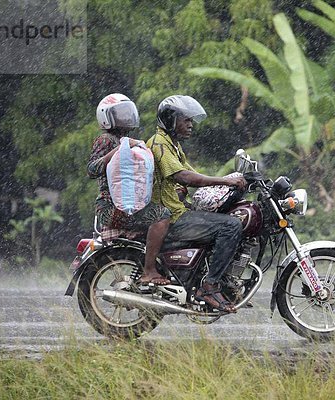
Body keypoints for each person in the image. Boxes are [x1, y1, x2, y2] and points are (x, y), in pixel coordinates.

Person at [146, 95, 247, 313]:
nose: (191, 125)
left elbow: (193, 174)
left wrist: (229, 181)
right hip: (171, 217)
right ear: (171, 120)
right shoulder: (159, 144)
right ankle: (209, 286)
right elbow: (186, 177)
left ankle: (213, 277)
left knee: (228, 217)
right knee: (231, 225)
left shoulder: (173, 145)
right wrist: (225, 181)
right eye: (186, 120)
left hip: (177, 210)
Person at [88, 93, 172, 286]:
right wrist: (120, 149)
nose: (126, 118)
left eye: (127, 113)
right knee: (161, 216)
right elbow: (92, 170)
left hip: (126, 204)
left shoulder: (128, 140)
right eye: (120, 114)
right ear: (106, 118)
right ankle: (149, 270)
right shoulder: (106, 140)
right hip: (110, 208)